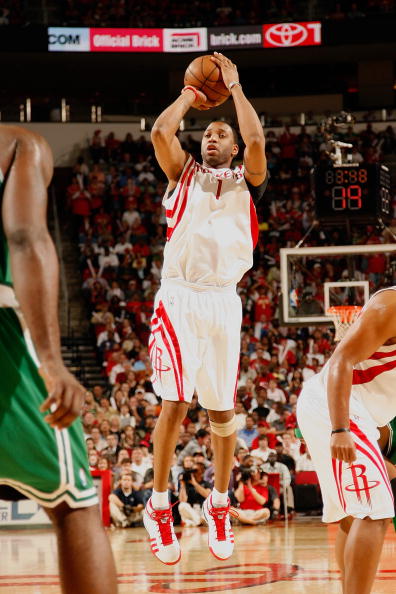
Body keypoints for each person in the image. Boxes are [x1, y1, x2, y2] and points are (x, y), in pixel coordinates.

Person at [143, 51, 267, 565]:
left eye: (221, 134)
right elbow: (159, 134)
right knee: (175, 403)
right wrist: (190, 96)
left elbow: (258, 141)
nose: (211, 138)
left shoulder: (246, 177)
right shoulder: (184, 174)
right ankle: (159, 504)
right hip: (180, 295)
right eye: (207, 133)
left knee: (222, 413)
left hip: (223, 301)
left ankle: (219, 502)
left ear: (233, 146)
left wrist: (234, 89)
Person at [0, 126, 117, 593]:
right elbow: (27, 238)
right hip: (7, 342)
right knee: (75, 507)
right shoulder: (16, 145)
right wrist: (51, 360)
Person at [297, 288, 396, 594]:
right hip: (337, 406)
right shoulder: (390, 304)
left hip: (357, 413)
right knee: (374, 512)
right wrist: (340, 429)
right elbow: (341, 360)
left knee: (353, 515)